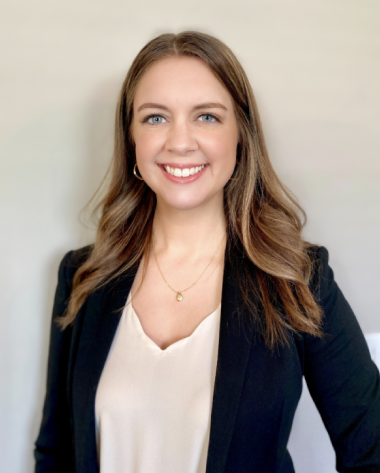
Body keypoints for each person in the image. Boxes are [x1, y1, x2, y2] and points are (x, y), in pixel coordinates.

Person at [34, 31, 380, 473]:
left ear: (241, 137)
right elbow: (56, 453)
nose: (180, 142)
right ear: (132, 142)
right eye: (155, 118)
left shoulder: (297, 278)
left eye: (207, 117)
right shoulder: (83, 276)